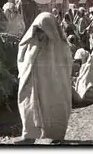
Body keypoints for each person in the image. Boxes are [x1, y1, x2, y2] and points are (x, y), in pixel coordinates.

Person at [17, 12, 72, 143]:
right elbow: (22, 58)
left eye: (44, 29)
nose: (41, 32)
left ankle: (56, 135)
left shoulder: (61, 46)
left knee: (54, 106)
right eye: (38, 29)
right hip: (32, 81)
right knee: (28, 104)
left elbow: (66, 66)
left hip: (53, 84)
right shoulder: (30, 41)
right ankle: (29, 135)